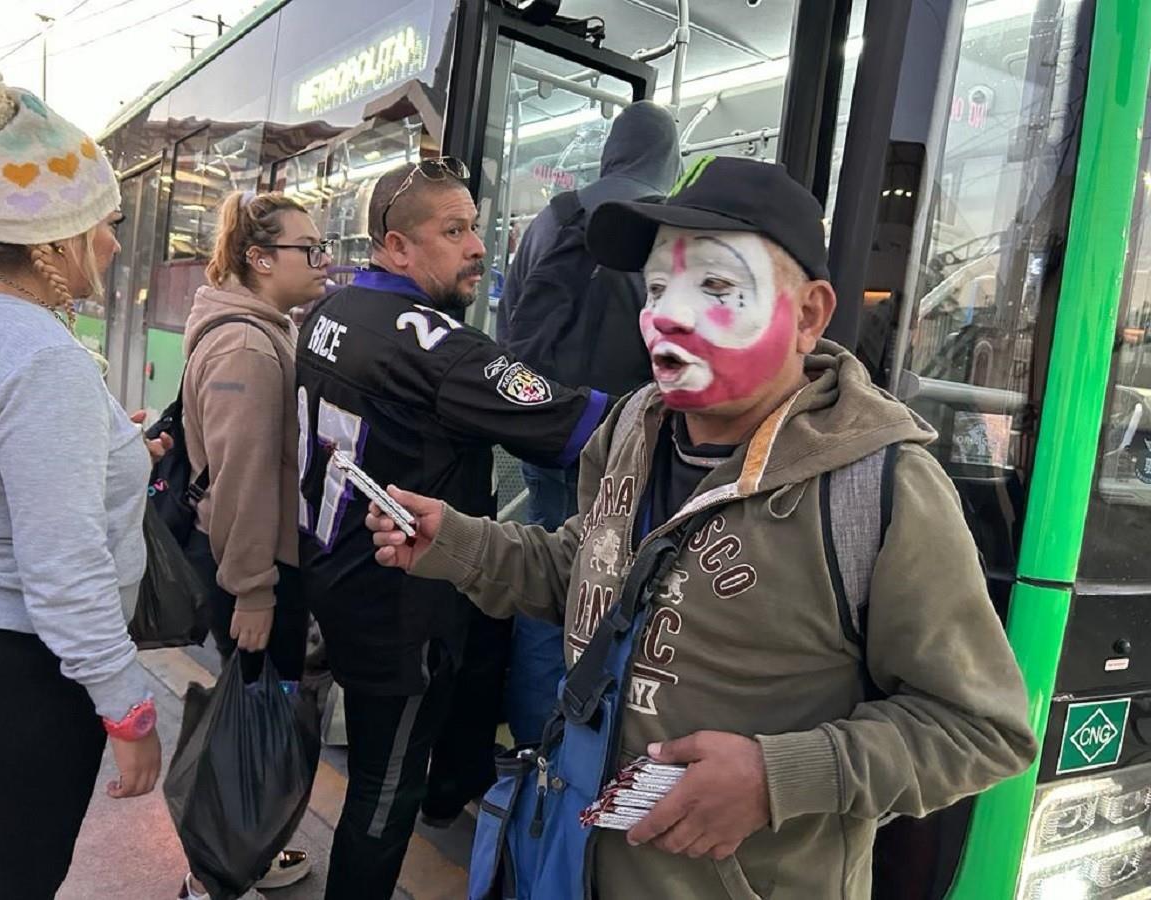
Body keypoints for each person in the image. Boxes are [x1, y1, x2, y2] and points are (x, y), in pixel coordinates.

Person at [367, 156, 1038, 898]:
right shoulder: (631, 427)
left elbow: (982, 729)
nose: (667, 315)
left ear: (808, 316)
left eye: (717, 288)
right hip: (566, 862)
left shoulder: (881, 488)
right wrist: (456, 543)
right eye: (657, 288)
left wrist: (775, 778)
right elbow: (585, 572)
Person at [295, 157, 610, 900]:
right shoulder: (435, 346)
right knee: (382, 793)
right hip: (399, 605)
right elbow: (576, 427)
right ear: (397, 248)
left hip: (336, 577)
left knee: (385, 769)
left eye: (476, 227)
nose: (478, 247)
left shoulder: (332, 311)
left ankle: (455, 783)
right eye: (454, 230)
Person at [0, 56, 162, 900]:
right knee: (19, 876)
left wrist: (110, 453)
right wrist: (128, 711)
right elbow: (64, 569)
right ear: (55, 242)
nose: (114, 242)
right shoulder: (40, 356)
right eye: (104, 223)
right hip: (25, 674)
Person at [496, 100, 681, 745]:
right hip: (629, 443)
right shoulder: (666, 226)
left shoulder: (553, 218)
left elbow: (510, 325)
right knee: (616, 590)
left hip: (546, 434)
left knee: (543, 581)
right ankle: (588, 745)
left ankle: (530, 745)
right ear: (668, 157)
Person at [176, 190, 330, 900]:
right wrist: (255, 590)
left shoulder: (260, 326)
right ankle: (217, 867)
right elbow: (240, 477)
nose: (323, 260)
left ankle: (245, 848)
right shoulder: (248, 343)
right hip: (251, 565)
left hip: (248, 559)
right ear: (261, 259)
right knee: (249, 722)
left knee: (256, 712)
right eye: (310, 248)